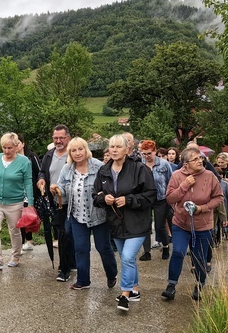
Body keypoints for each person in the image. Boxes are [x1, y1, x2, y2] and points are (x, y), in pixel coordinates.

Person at [93, 135, 156, 312]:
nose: (114, 150)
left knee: (128, 257)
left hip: (137, 222)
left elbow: (151, 195)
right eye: (111, 146)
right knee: (126, 259)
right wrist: (103, 198)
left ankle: (125, 295)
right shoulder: (104, 171)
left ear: (127, 149)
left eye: (118, 146)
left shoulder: (139, 169)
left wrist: (129, 200)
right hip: (115, 223)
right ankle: (134, 290)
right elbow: (95, 195)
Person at [51, 137, 117, 290]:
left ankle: (112, 274)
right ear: (70, 153)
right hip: (77, 215)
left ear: (86, 150)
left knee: (103, 247)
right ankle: (83, 280)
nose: (77, 153)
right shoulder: (67, 168)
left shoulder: (99, 167)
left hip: (99, 216)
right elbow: (62, 191)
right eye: (73, 150)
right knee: (80, 249)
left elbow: (109, 187)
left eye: (80, 149)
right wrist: (56, 190)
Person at [163, 146, 224, 302]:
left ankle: (199, 284)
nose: (200, 161)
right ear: (185, 164)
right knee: (178, 252)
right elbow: (170, 199)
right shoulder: (177, 176)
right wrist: (184, 185)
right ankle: (171, 285)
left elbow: (218, 198)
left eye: (200, 158)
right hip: (181, 224)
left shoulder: (210, 176)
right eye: (195, 159)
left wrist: (201, 208)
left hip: (203, 225)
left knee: (199, 257)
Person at [0, 133, 35, 271]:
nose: (7, 151)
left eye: (10, 148)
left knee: (14, 231)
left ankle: (15, 256)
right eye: (4, 147)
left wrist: (30, 203)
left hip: (15, 203)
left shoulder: (24, 161)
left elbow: (28, 183)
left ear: (17, 146)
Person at [37, 125, 75, 282]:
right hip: (56, 203)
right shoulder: (49, 154)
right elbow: (43, 171)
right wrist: (41, 179)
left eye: (61, 138)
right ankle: (63, 269)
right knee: (62, 233)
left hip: (73, 202)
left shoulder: (74, 154)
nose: (58, 141)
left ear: (68, 138)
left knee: (70, 234)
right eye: (55, 138)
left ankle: (71, 263)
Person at [138, 140, 173, 260]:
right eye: (144, 154)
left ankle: (165, 246)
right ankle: (147, 251)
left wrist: (170, 198)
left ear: (155, 151)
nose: (147, 156)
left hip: (161, 198)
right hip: (146, 199)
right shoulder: (140, 165)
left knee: (160, 225)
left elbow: (170, 181)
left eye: (149, 153)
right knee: (145, 226)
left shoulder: (164, 164)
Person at [16, 134, 41, 252]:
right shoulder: (12, 157)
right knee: (20, 217)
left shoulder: (32, 156)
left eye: (18, 143)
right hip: (18, 193)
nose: (16, 146)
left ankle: (30, 241)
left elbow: (40, 172)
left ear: (23, 144)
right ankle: (23, 243)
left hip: (32, 192)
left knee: (29, 216)